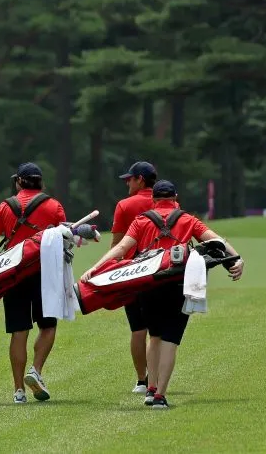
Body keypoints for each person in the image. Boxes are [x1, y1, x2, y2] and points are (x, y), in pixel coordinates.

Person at [80, 180, 244, 409]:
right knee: (171, 340)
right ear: (175, 198)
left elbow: (120, 249)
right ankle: (160, 395)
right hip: (179, 285)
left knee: (154, 336)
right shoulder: (188, 219)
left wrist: (95, 268)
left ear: (154, 200)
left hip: (149, 285)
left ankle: (150, 388)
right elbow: (217, 241)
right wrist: (238, 259)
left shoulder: (142, 220)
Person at [0, 162, 66, 404]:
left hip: (13, 275)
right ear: (40, 183)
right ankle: (35, 370)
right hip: (45, 275)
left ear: (19, 182)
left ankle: (18, 392)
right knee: (48, 326)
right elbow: (64, 241)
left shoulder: (6, 206)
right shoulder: (54, 206)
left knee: (19, 331)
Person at [111, 161, 158, 394]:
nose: (127, 182)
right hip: (161, 271)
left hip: (132, 273)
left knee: (138, 329)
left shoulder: (124, 205)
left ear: (140, 179)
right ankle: (156, 379)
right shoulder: (167, 202)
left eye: (129, 179)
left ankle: (142, 380)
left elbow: (117, 245)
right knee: (158, 329)